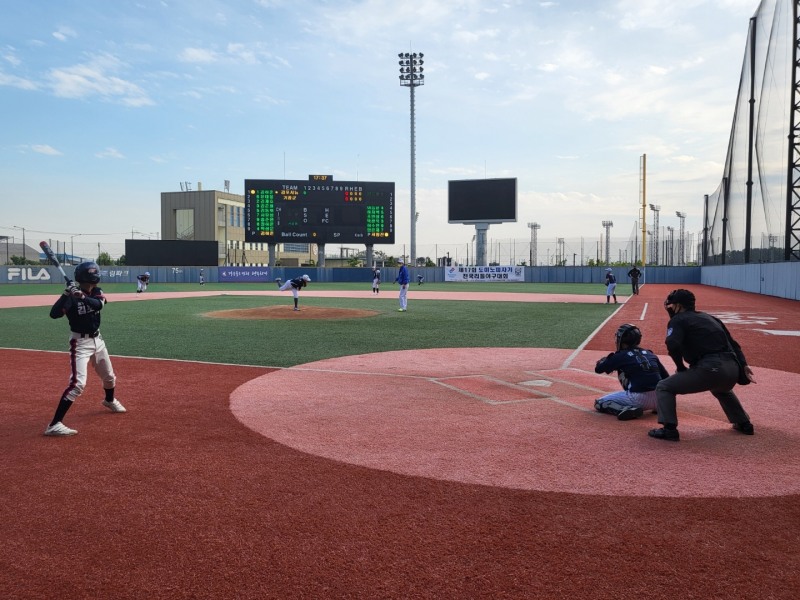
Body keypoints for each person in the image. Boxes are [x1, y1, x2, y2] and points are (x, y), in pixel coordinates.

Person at [649, 288, 756, 442]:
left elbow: (672, 344)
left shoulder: (678, 320)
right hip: (732, 368)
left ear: (679, 306)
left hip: (711, 368)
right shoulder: (711, 318)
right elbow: (734, 345)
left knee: (664, 386)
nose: (670, 308)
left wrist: (680, 367)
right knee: (721, 389)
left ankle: (669, 429)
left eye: (672, 305)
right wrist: (743, 365)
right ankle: (744, 423)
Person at [44, 261, 126, 436]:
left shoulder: (96, 291)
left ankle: (109, 400)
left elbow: (99, 305)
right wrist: (66, 294)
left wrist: (81, 296)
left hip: (98, 340)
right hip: (80, 343)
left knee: (109, 377)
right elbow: (54, 314)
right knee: (77, 384)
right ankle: (54, 424)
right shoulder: (71, 297)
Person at [594, 323, 670, 420]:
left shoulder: (620, 355)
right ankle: (658, 407)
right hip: (661, 398)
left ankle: (624, 409)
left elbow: (598, 369)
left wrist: (603, 361)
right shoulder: (650, 353)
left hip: (639, 399)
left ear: (621, 339)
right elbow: (666, 378)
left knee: (599, 403)